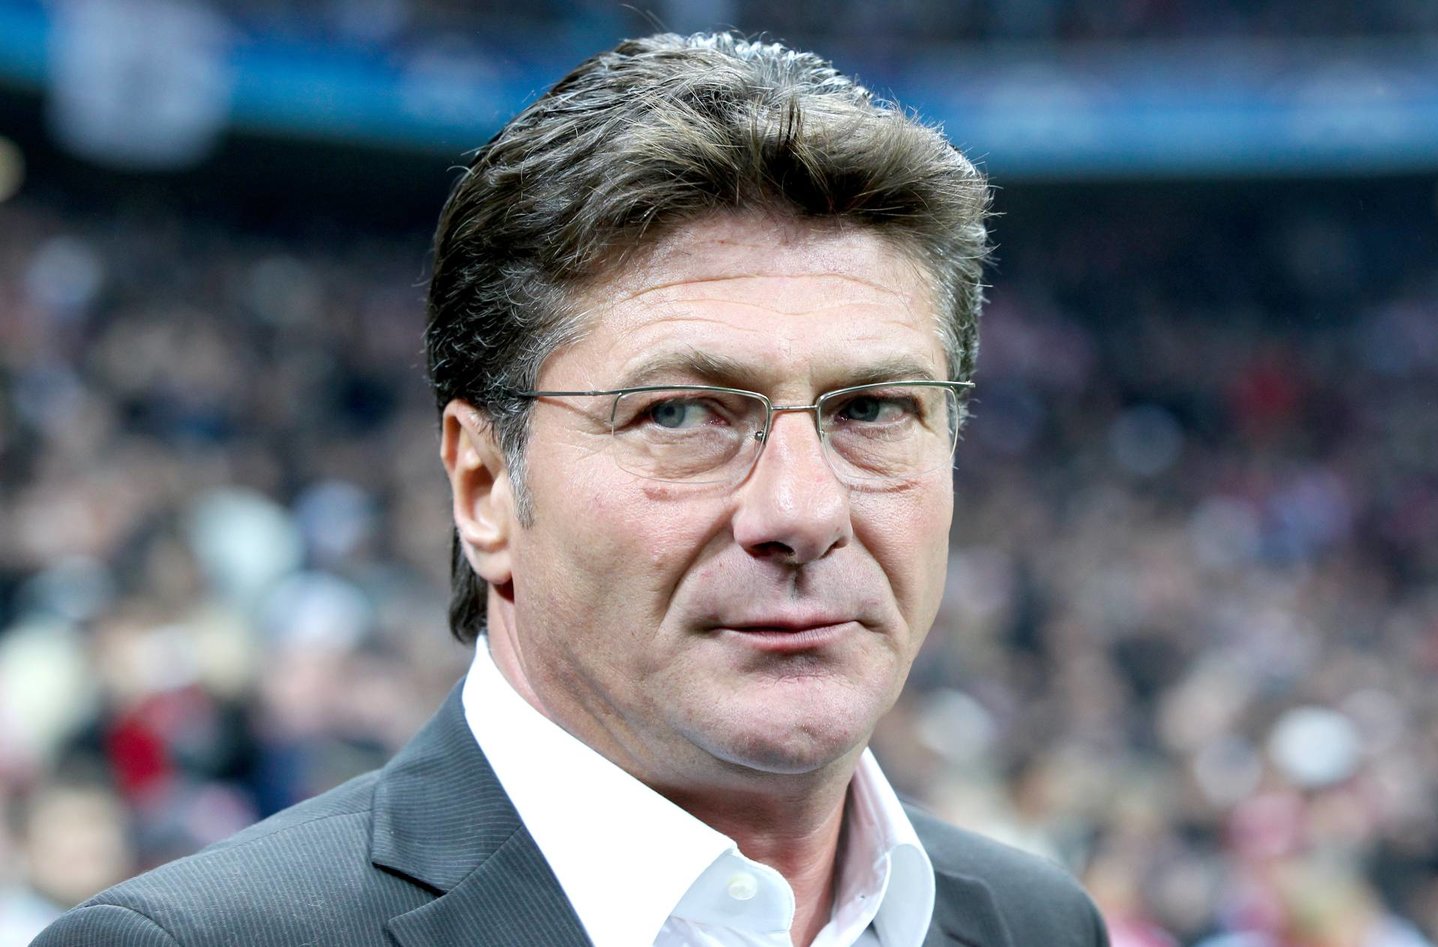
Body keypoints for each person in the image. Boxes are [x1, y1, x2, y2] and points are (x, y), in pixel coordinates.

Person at [34, 32, 1108, 947]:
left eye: (873, 409)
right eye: (682, 412)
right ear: (483, 483)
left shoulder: (1035, 921)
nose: (804, 510)